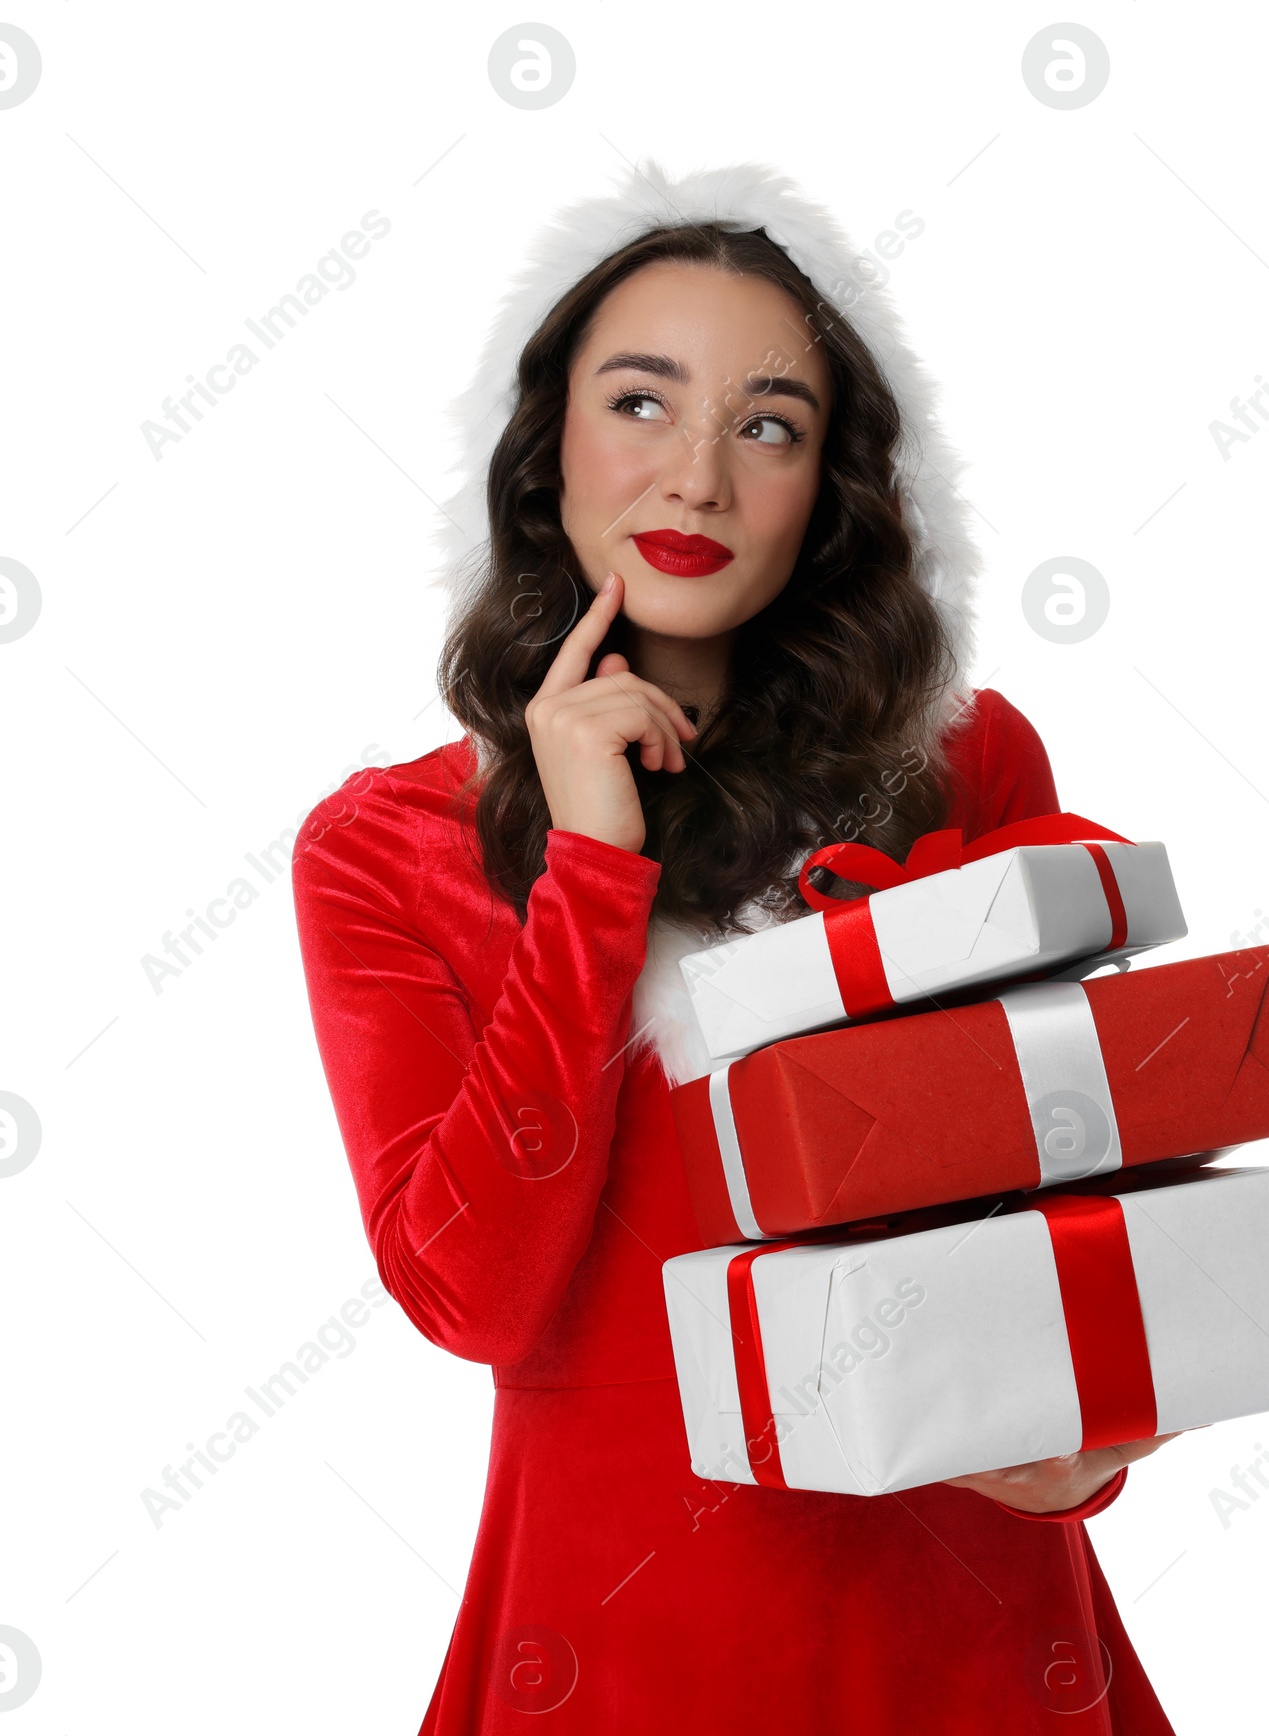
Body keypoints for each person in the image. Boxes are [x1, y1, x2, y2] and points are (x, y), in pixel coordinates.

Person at [292, 159, 1178, 1732]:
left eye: (766, 425)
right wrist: (589, 873)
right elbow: (473, 1303)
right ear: (542, 445)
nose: (696, 478)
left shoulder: (965, 773)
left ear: (827, 489)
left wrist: (1096, 1446)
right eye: (642, 402)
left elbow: (1083, 1199)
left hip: (969, 1643)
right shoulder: (386, 849)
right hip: (616, 1654)